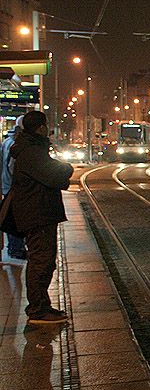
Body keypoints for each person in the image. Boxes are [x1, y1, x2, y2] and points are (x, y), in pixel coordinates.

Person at [4, 111, 74, 324]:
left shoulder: (30, 148)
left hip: (38, 211)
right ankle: (37, 309)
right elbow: (55, 176)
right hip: (37, 213)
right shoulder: (32, 151)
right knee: (41, 260)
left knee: (43, 260)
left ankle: (41, 305)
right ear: (41, 128)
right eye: (46, 125)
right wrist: (67, 168)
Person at [1, 116, 27, 259]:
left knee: (11, 217)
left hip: (7, 185)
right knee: (15, 219)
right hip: (13, 186)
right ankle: (16, 248)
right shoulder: (15, 144)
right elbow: (13, 167)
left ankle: (14, 247)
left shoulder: (7, 141)